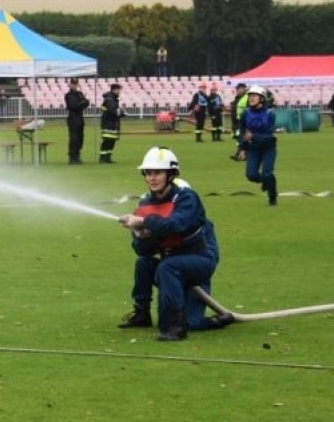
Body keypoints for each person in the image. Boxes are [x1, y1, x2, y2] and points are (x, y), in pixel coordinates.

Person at [116, 147, 232, 341]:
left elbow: (176, 225)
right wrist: (141, 235)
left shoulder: (187, 198)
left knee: (169, 269)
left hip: (199, 261)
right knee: (144, 263)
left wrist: (145, 222)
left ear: (170, 174)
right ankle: (142, 313)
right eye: (148, 173)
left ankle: (177, 326)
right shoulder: (145, 204)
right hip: (170, 268)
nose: (152, 178)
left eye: (158, 173)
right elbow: (142, 250)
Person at [239, 85, 278, 206]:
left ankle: (272, 196)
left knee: (267, 173)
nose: (251, 98)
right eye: (250, 96)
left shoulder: (270, 114)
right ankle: (267, 182)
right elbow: (243, 133)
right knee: (251, 175)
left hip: (268, 147)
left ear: (262, 98)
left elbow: (268, 134)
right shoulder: (245, 114)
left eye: (254, 96)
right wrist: (242, 149)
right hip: (253, 148)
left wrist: (253, 137)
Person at [64, 79, 90, 164]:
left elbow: (86, 103)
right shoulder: (68, 95)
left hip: (80, 118)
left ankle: (77, 156)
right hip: (73, 118)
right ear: (70, 85)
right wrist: (82, 103)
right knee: (74, 138)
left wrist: (82, 103)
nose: (74, 85)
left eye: (76, 84)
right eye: (73, 84)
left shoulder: (79, 94)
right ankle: (72, 157)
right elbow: (73, 106)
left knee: (80, 138)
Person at [97, 82, 124, 163]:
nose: (120, 91)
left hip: (112, 124)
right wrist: (121, 113)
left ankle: (108, 158)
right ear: (114, 90)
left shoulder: (113, 99)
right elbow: (112, 111)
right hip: (108, 124)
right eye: (118, 89)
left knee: (111, 141)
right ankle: (102, 158)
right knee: (107, 141)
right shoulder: (110, 99)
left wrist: (120, 112)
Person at [229, 83, 249, 161]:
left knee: (242, 138)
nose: (238, 90)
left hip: (243, 121)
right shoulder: (237, 98)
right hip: (236, 121)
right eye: (237, 89)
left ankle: (240, 154)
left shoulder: (247, 97)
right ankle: (241, 154)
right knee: (239, 138)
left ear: (244, 89)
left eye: (240, 88)